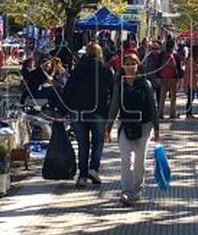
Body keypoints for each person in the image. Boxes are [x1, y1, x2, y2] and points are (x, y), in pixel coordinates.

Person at [106, 53, 161, 206]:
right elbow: (114, 107)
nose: (130, 66)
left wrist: (156, 128)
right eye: (127, 63)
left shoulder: (145, 84)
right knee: (126, 158)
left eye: (133, 63)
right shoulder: (119, 85)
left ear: (138, 66)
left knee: (139, 160)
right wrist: (108, 128)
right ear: (123, 66)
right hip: (125, 125)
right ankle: (126, 191)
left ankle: (137, 189)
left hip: (144, 125)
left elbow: (152, 107)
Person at [61, 43, 113, 186]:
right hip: (99, 111)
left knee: (83, 144)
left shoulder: (77, 70)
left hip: (78, 111)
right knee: (98, 142)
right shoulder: (106, 70)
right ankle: (94, 169)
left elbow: (68, 90)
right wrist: (112, 113)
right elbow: (113, 92)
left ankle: (82, 176)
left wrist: (62, 110)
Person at [155, 40, 183, 120]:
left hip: (163, 77)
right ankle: (172, 113)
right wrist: (180, 77)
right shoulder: (175, 55)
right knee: (173, 97)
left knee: (162, 97)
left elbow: (158, 65)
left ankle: (160, 113)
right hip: (173, 78)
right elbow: (178, 67)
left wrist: (158, 76)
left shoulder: (162, 54)